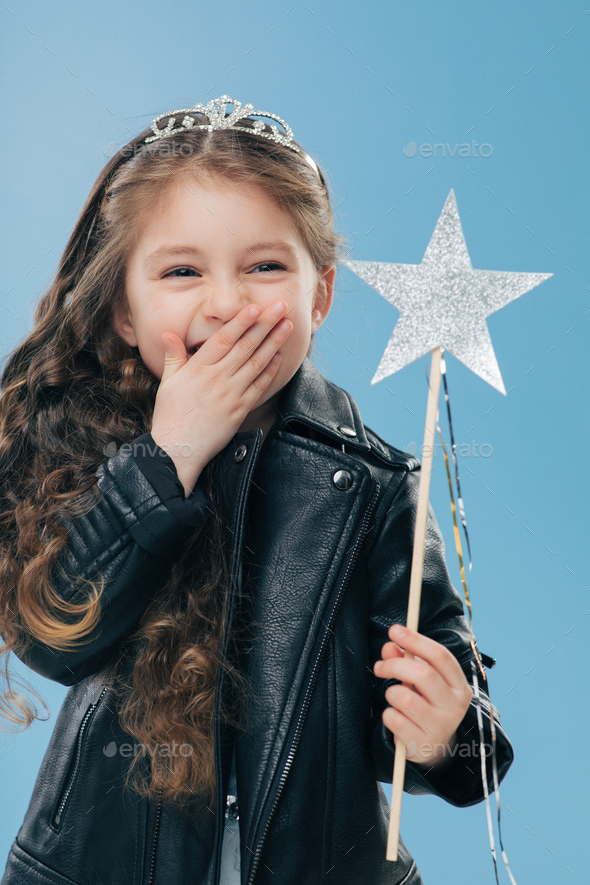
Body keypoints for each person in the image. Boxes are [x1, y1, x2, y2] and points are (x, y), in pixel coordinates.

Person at [0, 96, 513, 885]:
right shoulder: (92, 445)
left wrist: (449, 733)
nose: (228, 303)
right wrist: (165, 460)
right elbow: (55, 637)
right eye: (181, 270)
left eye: (265, 266)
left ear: (320, 296)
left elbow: (458, 731)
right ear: (124, 312)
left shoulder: (376, 483)